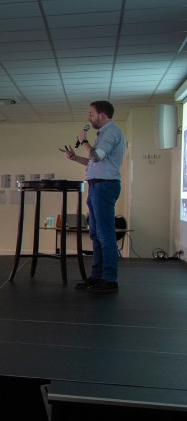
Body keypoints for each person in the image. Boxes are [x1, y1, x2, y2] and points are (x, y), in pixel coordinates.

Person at [61, 100, 126, 293]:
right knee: (96, 234)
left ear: (102, 116)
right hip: (97, 186)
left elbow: (95, 156)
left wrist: (84, 141)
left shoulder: (112, 132)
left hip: (104, 187)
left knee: (105, 235)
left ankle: (109, 279)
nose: (88, 117)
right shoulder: (103, 134)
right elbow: (93, 162)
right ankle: (97, 276)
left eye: (91, 114)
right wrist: (75, 157)